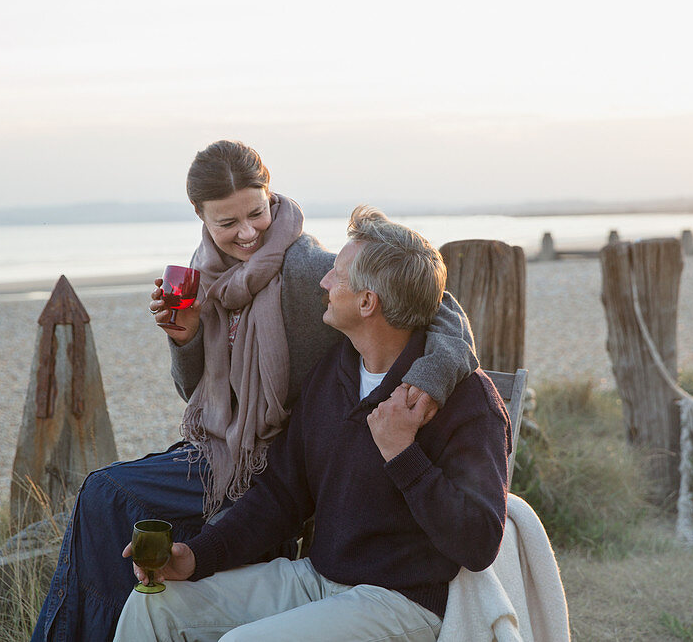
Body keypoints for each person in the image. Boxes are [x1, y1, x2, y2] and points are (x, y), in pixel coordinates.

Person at [31, 142, 478, 642]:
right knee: (107, 501)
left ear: (272, 197)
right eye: (227, 223)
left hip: (281, 455)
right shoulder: (209, 276)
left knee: (108, 495)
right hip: (238, 447)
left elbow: (425, 296)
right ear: (201, 218)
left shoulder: (311, 269)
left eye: (256, 213)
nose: (246, 233)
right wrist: (188, 339)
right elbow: (195, 393)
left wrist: (433, 373)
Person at [114, 205, 511, 642]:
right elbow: (282, 494)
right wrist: (196, 556)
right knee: (153, 604)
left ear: (367, 302)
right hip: (317, 579)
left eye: (337, 274)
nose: (323, 281)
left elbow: (479, 545)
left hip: (402, 600)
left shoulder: (466, 400)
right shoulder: (334, 372)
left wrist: (403, 454)